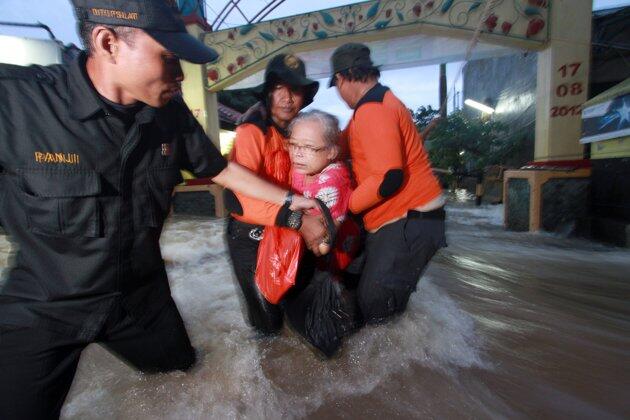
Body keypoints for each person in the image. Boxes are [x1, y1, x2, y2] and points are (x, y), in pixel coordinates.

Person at [0, 1, 314, 418]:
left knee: (188, 381)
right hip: (45, 306)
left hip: (141, 299)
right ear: (108, 42)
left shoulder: (169, 114)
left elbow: (220, 169)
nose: (181, 76)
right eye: (167, 58)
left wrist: (294, 202)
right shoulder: (17, 102)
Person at [329, 43, 448, 325]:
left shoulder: (374, 109)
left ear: (341, 79)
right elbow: (339, 148)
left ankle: (399, 367)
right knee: (359, 290)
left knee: (375, 307)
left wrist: (344, 209)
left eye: (335, 85)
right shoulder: (371, 107)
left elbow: (389, 178)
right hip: (406, 221)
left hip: (409, 219)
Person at [225, 53, 328, 335]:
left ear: (304, 96)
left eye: (294, 90)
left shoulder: (302, 131)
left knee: (299, 309)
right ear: (268, 93)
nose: (287, 97)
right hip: (251, 235)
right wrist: (295, 219)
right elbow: (236, 198)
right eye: (279, 88)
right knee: (267, 324)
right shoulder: (252, 130)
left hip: (287, 231)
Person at [288, 110, 361, 270]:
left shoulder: (331, 182)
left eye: (309, 147)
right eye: (293, 144)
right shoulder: (302, 167)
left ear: (332, 152)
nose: (298, 153)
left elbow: (322, 246)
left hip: (333, 255)